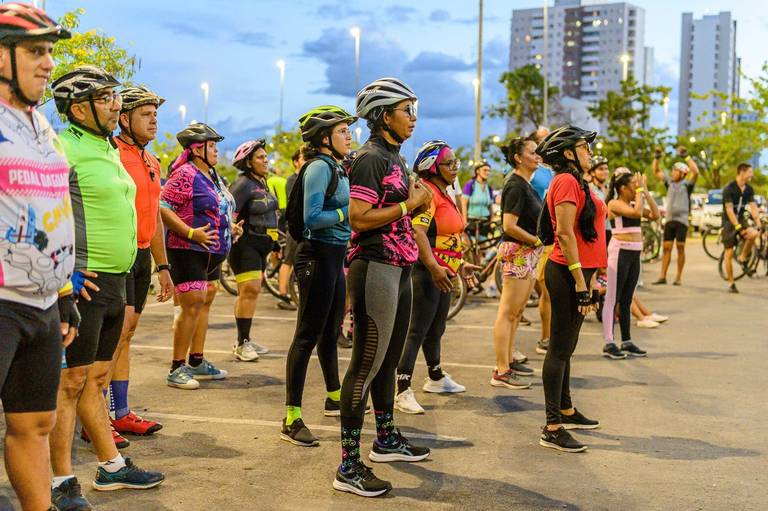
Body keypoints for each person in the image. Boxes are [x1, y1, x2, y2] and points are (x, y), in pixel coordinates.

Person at [50, 65, 164, 508]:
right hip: (85, 283)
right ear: (79, 109)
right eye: (105, 98)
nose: (116, 105)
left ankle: (111, 466)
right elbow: (45, 212)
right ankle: (60, 481)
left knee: (95, 379)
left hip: (117, 280)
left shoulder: (107, 147)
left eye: (115, 96)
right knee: (70, 383)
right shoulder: (63, 148)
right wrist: (65, 272)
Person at [334, 77, 433, 498]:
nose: (413, 117)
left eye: (414, 109)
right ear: (383, 115)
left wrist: (417, 204)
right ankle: (348, 465)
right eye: (406, 110)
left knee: (389, 361)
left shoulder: (395, 157)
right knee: (366, 365)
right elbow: (359, 217)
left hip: (400, 265)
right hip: (375, 265)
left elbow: (399, 210)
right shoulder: (371, 158)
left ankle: (386, 439)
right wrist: (410, 203)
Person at [0, 6, 76, 509]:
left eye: (49, 51)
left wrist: (64, 292)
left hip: (43, 302)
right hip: (2, 300)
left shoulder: (40, 125)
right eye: (35, 51)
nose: (48, 62)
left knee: (35, 425)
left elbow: (56, 205)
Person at [281, 105, 356, 445]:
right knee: (306, 336)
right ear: (324, 138)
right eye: (342, 131)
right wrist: (346, 211)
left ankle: (334, 397)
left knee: (331, 331)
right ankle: (291, 418)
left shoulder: (337, 167)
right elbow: (312, 217)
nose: (348, 136)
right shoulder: (319, 168)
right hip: (316, 256)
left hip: (335, 257)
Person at [107, 86, 173, 441]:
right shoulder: (113, 153)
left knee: (127, 335)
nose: (154, 120)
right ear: (124, 118)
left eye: (155, 114)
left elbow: (155, 217)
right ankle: (98, 416)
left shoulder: (151, 161)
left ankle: (120, 412)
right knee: (114, 335)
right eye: (145, 114)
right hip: (118, 253)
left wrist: (163, 267)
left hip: (142, 255)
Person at [536, 125, 606, 453]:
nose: (590, 152)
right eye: (584, 147)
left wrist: (589, 278)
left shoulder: (576, 181)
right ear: (568, 153)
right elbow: (564, 233)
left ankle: (565, 409)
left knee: (567, 347)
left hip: (578, 274)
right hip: (566, 274)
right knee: (559, 349)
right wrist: (580, 281)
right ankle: (552, 427)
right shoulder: (565, 181)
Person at [394, 140, 476, 414]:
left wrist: (460, 264)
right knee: (417, 329)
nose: (455, 167)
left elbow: (445, 236)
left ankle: (436, 376)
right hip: (427, 273)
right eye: (449, 163)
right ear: (432, 167)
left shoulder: (444, 192)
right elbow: (418, 232)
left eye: (455, 162)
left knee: (436, 327)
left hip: (444, 271)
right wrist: (432, 266)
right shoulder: (427, 193)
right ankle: (402, 389)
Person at [161, 123, 239, 387]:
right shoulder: (185, 173)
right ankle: (176, 368)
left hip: (211, 252)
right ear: (196, 149)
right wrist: (190, 232)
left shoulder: (212, 175)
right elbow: (162, 206)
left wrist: (231, 227)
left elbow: (218, 207)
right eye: (212, 146)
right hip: (188, 249)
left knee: (204, 303)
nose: (216, 150)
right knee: (192, 303)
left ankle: (196, 361)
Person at [489, 137, 544, 390]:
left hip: (528, 252)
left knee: (518, 312)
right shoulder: (515, 185)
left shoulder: (526, 184)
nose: (537, 156)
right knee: (508, 312)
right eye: (532, 152)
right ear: (518, 158)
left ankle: (509, 360)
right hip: (518, 251)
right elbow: (509, 225)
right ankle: (501, 370)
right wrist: (535, 240)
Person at [601, 169, 659, 359]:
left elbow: (655, 215)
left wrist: (646, 191)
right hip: (620, 252)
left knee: (627, 298)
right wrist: (641, 192)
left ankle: (626, 341)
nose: (636, 188)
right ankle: (609, 342)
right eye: (634, 185)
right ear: (623, 188)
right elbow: (636, 213)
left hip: (634, 253)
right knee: (613, 298)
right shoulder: (614, 203)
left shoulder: (635, 202)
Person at [228, 138, 277, 361]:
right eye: (260, 157)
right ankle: (242, 343)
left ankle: (246, 337)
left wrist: (275, 243)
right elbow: (229, 213)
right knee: (249, 290)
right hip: (245, 244)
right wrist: (230, 229)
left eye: (266, 156)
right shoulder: (243, 184)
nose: (265, 160)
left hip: (262, 244)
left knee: (252, 292)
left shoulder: (263, 182)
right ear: (248, 162)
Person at [652, 146, 699, 286]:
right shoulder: (669, 182)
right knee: (666, 248)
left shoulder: (687, 185)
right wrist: (657, 157)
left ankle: (678, 277)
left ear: (683, 173)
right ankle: (662, 276)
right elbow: (656, 171)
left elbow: (696, 172)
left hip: (682, 221)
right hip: (669, 220)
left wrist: (686, 156)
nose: (672, 173)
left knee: (680, 247)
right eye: (672, 170)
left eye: (675, 170)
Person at [530, 127, 555, 356]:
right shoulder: (531, 170)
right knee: (545, 292)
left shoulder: (554, 170)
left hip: (555, 237)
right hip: (536, 238)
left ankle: (551, 337)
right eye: (542, 138)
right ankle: (545, 338)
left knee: (552, 293)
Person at [275, 148, 308, 312]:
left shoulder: (305, 177)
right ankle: (282, 295)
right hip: (294, 227)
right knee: (288, 260)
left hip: (304, 227)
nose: (306, 161)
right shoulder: (292, 179)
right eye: (303, 158)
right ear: (296, 162)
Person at [721, 163, 762, 293]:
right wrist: (738, 228)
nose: (752, 174)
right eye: (750, 172)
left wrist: (758, 222)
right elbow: (729, 210)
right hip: (729, 221)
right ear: (742, 172)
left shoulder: (749, 189)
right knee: (728, 252)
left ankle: (742, 257)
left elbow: (753, 206)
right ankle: (731, 283)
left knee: (754, 234)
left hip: (741, 218)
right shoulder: (729, 188)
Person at [461, 161, 494, 225]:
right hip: (472, 221)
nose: (487, 173)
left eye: (489, 171)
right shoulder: (470, 184)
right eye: (485, 170)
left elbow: (491, 207)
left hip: (486, 221)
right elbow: (464, 204)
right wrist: (464, 221)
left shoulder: (489, 188)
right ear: (477, 171)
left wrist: (492, 221)